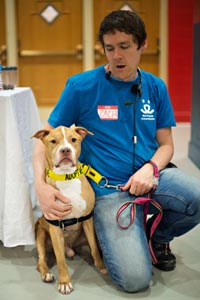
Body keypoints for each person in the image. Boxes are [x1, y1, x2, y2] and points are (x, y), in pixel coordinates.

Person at [33, 10, 200, 292]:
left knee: (196, 197)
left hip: (150, 178)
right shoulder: (81, 86)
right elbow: (44, 139)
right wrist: (40, 185)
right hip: (107, 191)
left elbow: (167, 145)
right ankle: (111, 231)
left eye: (124, 47)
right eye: (109, 48)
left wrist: (151, 168)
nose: (116, 56)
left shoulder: (156, 87)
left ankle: (157, 236)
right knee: (135, 280)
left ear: (142, 45)